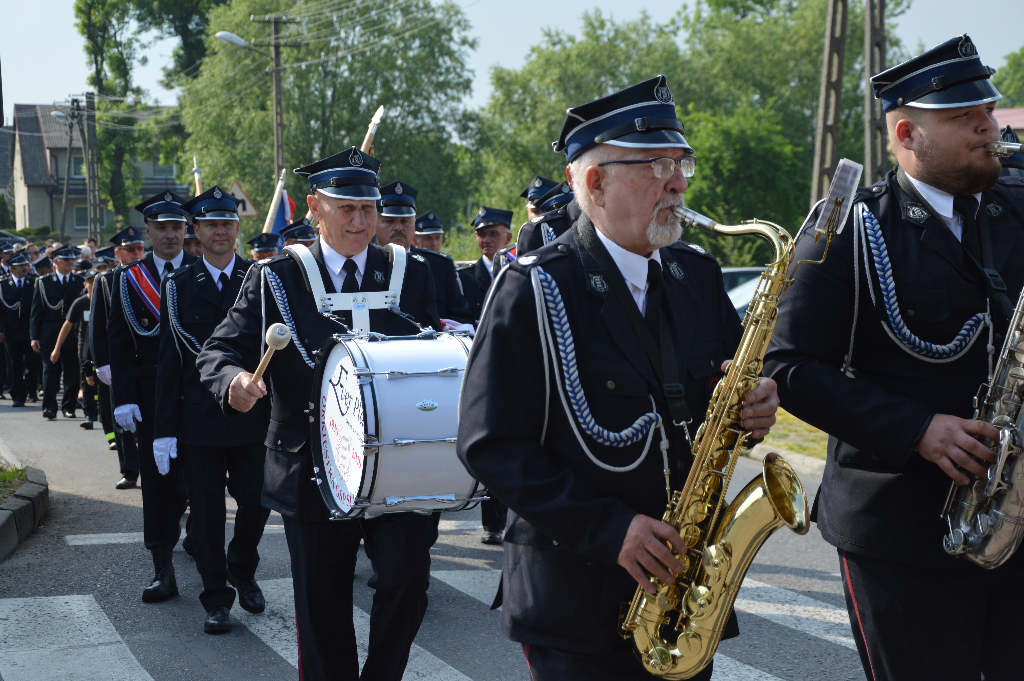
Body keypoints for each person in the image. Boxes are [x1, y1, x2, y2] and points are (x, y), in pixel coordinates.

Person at [457, 75, 781, 681]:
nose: (678, 182)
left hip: (684, 599)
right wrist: (611, 530)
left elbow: (723, 400)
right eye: (654, 166)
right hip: (573, 599)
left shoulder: (696, 276)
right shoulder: (535, 286)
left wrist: (754, 409)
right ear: (595, 182)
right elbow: (489, 444)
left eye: (681, 162)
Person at [763, 36, 1024, 681]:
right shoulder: (844, 230)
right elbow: (789, 366)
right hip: (902, 536)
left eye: (988, 113)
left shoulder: (1015, 209)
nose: (989, 128)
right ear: (907, 132)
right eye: (967, 119)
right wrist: (919, 430)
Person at [197, 147, 443, 681]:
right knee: (322, 603)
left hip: (398, 463)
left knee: (406, 580)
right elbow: (217, 352)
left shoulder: (412, 273)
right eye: (346, 209)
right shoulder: (277, 278)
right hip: (310, 463)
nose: (360, 222)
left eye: (368, 209)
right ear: (314, 207)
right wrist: (234, 381)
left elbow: (445, 344)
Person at [155, 186, 271, 635]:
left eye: (227, 223)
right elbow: (171, 360)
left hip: (253, 417)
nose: (220, 231)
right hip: (199, 419)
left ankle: (242, 566)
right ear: (196, 233)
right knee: (205, 515)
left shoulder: (261, 279)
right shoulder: (179, 285)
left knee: (258, 501)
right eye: (210, 224)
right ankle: (216, 597)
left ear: (238, 229)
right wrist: (164, 428)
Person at [108, 190, 196, 602]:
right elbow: (119, 342)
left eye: (177, 227)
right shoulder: (127, 279)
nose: (170, 235)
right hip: (147, 392)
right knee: (157, 485)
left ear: (186, 230)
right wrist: (122, 398)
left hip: (196, 392)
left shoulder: (202, 271)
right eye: (161, 228)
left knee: (196, 478)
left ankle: (201, 541)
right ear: (148, 232)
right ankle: (162, 568)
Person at [92, 227, 145, 485]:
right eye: (130, 250)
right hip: (119, 361)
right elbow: (99, 326)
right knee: (123, 418)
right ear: (118, 253)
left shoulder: (153, 275)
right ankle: (130, 471)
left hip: (147, 359)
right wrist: (101, 362)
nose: (136, 254)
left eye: (139, 249)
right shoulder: (106, 280)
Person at [30, 246, 84, 420]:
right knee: (50, 372)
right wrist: (34, 336)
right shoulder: (43, 282)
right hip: (50, 334)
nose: (70, 262)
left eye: (71, 260)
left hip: (74, 334)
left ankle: (69, 406)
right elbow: (36, 312)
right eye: (66, 260)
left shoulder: (79, 281)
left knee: (72, 372)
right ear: (55, 262)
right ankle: (49, 407)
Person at [49, 269, 99, 430]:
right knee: (86, 381)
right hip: (84, 348)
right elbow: (67, 326)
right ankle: (89, 414)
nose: (93, 284)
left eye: (96, 281)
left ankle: (101, 411)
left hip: (102, 348)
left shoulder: (106, 301)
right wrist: (57, 349)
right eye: (90, 281)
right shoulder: (80, 303)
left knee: (102, 381)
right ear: (86, 284)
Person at [457, 207, 513, 325]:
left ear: (508, 238)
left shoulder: (517, 272)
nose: (486, 240)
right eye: (481, 234)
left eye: (493, 234)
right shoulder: (464, 278)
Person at [0, 253, 38, 407]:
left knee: (32, 362)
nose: (25, 268)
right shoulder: (2, 285)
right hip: (11, 331)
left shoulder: (34, 282)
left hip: (30, 331)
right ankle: (18, 395)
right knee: (14, 365)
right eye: (21, 266)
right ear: (11, 268)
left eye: (25, 265)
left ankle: (32, 389)